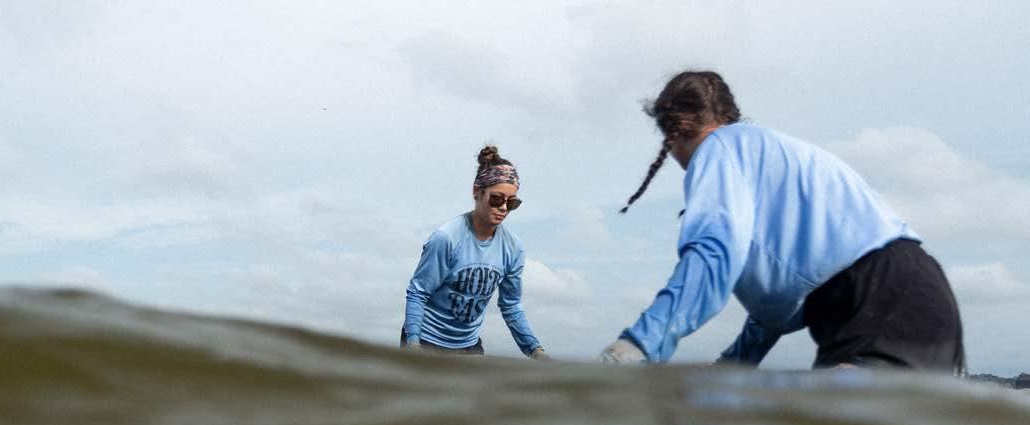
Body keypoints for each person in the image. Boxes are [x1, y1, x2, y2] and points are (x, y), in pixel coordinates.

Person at [601, 71, 965, 373]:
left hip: (881, 303)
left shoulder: (718, 149)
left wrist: (638, 346)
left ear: (672, 131)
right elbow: (774, 312)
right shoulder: (763, 158)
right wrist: (729, 369)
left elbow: (713, 252)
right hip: (922, 300)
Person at [403, 145, 548, 359]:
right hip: (427, 341)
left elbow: (511, 306)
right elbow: (418, 293)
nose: (504, 208)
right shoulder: (446, 238)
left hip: (469, 346)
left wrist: (536, 351)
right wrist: (413, 346)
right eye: (497, 199)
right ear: (477, 192)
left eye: (512, 203)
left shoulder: (513, 248)